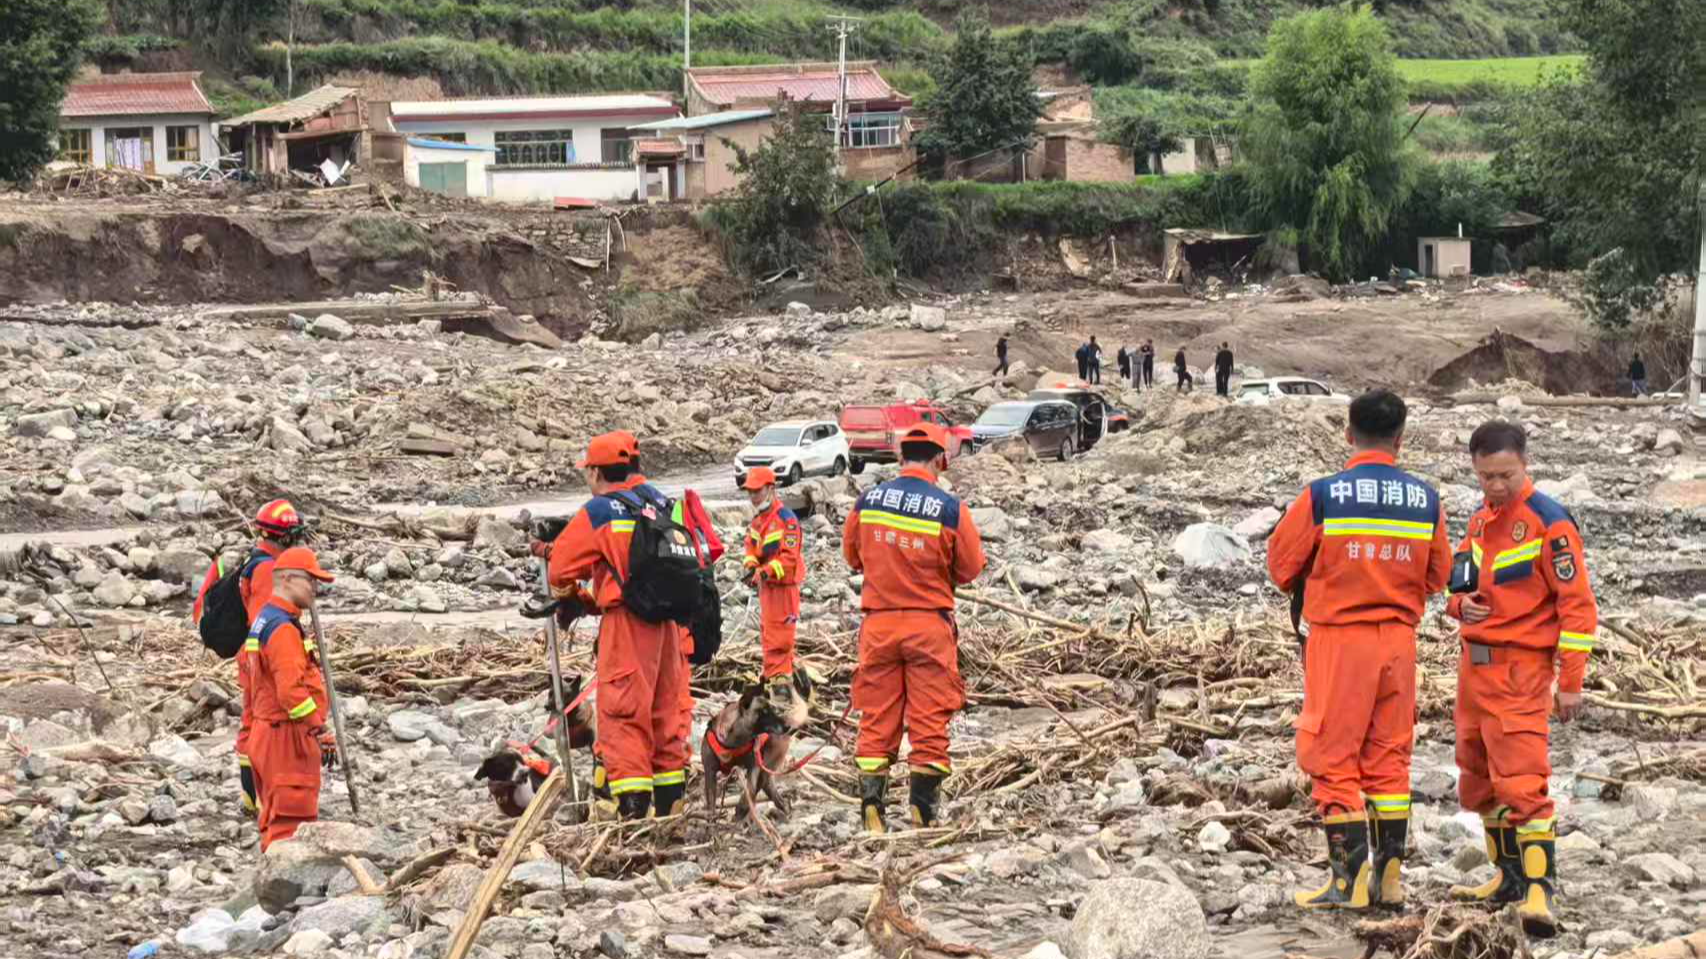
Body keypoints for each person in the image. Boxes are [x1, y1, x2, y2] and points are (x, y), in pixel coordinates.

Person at [1266, 390, 1452, 910]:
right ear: (1400, 440)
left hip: (1340, 640)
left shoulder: (1323, 496)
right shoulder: (1425, 501)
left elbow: (1281, 565)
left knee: (1330, 754)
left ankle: (1347, 883)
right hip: (1399, 643)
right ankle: (1388, 882)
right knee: (1389, 759)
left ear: (1348, 434)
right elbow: (1439, 575)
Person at [1446, 420, 1598, 938]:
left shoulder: (1549, 523)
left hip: (1520, 669)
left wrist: (1571, 681)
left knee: (1522, 779)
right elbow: (1456, 586)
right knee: (1478, 776)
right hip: (1474, 668)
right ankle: (1508, 879)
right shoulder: (1478, 522)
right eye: (1485, 476)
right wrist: (1461, 606)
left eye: (1505, 475)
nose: (1495, 485)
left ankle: (1538, 890)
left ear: (1524, 464)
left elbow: (1577, 608)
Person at [843, 423, 986, 834]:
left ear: (899, 456)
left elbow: (852, 557)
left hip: (879, 625)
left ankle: (872, 810)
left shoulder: (868, 502)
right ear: (940, 460)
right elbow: (971, 568)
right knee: (929, 721)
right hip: (928, 628)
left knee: (876, 716)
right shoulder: (949, 508)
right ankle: (923, 813)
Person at [545, 432, 690, 821]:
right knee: (665, 716)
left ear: (595, 472)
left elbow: (560, 568)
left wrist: (573, 597)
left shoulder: (601, 510)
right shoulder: (663, 502)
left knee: (624, 718)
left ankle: (632, 820)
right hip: (669, 626)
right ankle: (671, 815)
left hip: (627, 626)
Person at [193, 499, 307, 820]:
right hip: (263, 660)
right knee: (264, 725)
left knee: (254, 723)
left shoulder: (257, 562)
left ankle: (254, 797)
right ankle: (260, 798)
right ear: (285, 536)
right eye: (296, 535)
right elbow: (265, 621)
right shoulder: (268, 570)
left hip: (254, 656)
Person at [245, 547, 336, 851]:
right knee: (290, 821)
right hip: (285, 737)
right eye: (310, 580)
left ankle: (274, 869)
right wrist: (319, 728)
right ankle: (285, 878)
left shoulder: (267, 619)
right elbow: (291, 693)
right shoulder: (283, 629)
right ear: (286, 579)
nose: (314, 588)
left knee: (275, 816)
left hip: (268, 732)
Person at [740, 467, 805, 701]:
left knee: (780, 640)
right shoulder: (758, 521)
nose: (753, 497)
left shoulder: (786, 520)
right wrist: (750, 566)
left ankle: (781, 692)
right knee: (769, 636)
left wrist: (764, 572)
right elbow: (750, 547)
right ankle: (777, 683)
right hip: (767, 589)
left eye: (757, 491)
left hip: (783, 590)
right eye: (750, 492)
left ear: (771, 489)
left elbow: (789, 559)